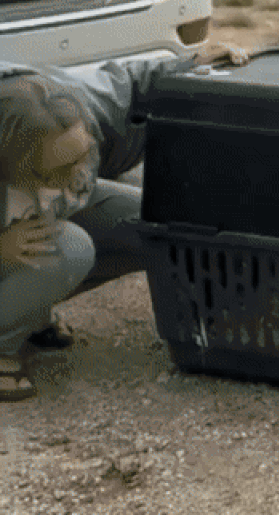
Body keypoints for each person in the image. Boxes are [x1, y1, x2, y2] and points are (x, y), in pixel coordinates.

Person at [0, 42, 251, 401]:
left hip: (29, 206)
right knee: (70, 249)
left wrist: (192, 62)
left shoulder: (70, 104)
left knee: (152, 225)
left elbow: (130, 84)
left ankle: (26, 311)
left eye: (83, 157)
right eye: (60, 168)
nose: (78, 175)